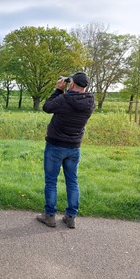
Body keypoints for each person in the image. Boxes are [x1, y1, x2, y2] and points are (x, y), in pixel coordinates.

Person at [36, 72, 95, 229]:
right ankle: (71, 217)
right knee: (72, 181)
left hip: (55, 146)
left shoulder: (64, 99)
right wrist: (69, 88)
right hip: (74, 147)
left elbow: (47, 107)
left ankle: (49, 216)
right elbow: (76, 96)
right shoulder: (90, 102)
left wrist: (58, 90)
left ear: (72, 84)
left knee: (51, 181)